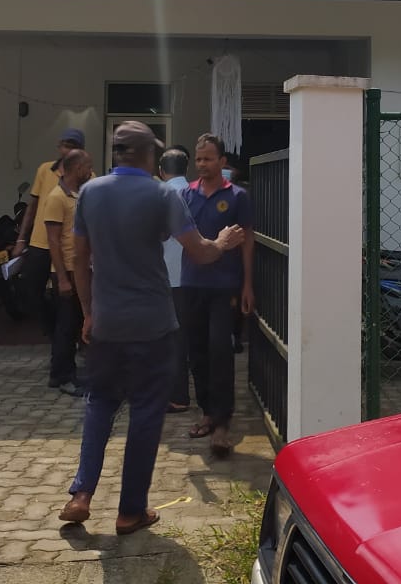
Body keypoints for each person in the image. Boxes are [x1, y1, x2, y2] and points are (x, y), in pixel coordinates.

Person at [60, 121, 243, 532]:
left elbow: (79, 259)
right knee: (145, 412)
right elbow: (199, 254)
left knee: (100, 404)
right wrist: (223, 242)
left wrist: (88, 313)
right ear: (147, 156)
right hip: (153, 325)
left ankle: (81, 493)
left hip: (106, 322)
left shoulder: (90, 192)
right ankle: (130, 511)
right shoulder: (164, 194)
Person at [181, 133, 255, 458]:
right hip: (192, 283)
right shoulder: (186, 195)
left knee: (219, 350)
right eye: (198, 159)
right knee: (196, 352)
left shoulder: (237, 196)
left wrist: (247, 284)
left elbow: (248, 240)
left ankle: (223, 421)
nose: (202, 165)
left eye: (208, 158)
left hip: (225, 286)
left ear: (222, 162)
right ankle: (207, 412)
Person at [14, 128, 85, 351]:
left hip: (66, 248)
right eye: (63, 144)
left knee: (69, 299)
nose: (66, 149)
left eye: (72, 145)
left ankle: (70, 342)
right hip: (40, 244)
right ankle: (56, 335)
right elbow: (32, 206)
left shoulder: (87, 175)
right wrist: (20, 240)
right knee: (30, 293)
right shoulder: (45, 170)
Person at [43, 148, 94, 396]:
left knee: (74, 324)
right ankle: (62, 375)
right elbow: (53, 241)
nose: (91, 171)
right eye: (87, 167)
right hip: (66, 272)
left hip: (80, 269)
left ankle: (65, 372)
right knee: (66, 325)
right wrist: (62, 278)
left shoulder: (78, 194)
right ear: (76, 169)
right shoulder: (56, 197)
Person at [158, 145, 192, 413]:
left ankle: (177, 395)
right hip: (194, 273)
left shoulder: (162, 195)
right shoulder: (194, 192)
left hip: (168, 275)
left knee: (171, 339)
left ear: (160, 170)